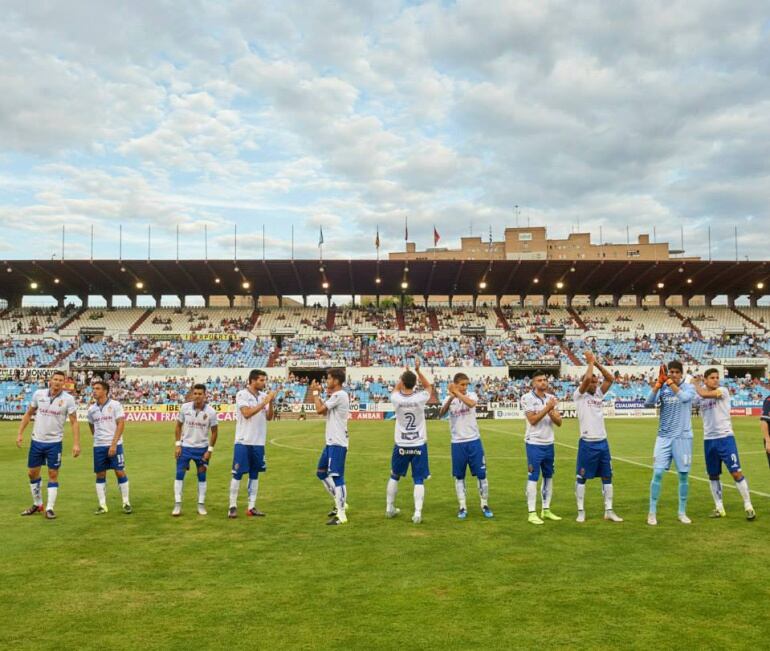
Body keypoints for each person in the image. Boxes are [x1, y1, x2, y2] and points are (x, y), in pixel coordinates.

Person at [16, 370, 80, 519]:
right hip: (36, 441)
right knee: (32, 473)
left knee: (53, 474)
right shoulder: (38, 394)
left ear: (64, 383)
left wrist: (76, 443)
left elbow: (74, 421)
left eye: (60, 380)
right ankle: (38, 504)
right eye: (55, 379)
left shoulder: (68, 399)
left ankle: (50, 508)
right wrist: (20, 433)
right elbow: (28, 414)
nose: (57, 382)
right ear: (50, 380)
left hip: (54, 443)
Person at [693, 369, 755, 520]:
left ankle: (748, 505)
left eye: (717, 377)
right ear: (706, 380)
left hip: (725, 438)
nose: (715, 380)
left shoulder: (723, 391)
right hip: (709, 440)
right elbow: (688, 399)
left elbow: (703, 394)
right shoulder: (699, 396)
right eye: (712, 378)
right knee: (713, 476)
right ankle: (719, 508)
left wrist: (695, 384)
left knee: (736, 472)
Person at [573, 352, 622, 523]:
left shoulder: (599, 394)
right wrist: (590, 363)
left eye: (596, 382)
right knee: (582, 478)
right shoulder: (578, 396)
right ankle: (581, 510)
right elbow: (586, 380)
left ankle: (608, 510)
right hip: (587, 444)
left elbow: (610, 379)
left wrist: (597, 364)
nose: (595, 384)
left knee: (607, 477)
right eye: (592, 382)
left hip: (602, 442)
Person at [644, 361, 695, 526]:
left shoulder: (688, 388)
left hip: (683, 438)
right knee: (657, 473)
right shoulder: (664, 388)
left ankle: (682, 512)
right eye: (670, 372)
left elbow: (685, 398)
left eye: (675, 372)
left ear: (681, 374)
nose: (672, 374)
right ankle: (652, 512)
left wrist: (669, 382)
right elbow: (648, 403)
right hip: (664, 437)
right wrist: (657, 385)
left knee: (683, 475)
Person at [438, 372, 493, 519]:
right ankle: (462, 507)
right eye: (462, 384)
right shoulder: (448, 398)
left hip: (474, 441)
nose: (464, 387)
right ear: (455, 384)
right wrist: (451, 397)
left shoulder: (472, 395)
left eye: (466, 384)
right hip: (457, 443)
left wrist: (456, 392)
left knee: (482, 475)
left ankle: (484, 504)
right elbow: (441, 414)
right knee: (459, 476)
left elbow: (471, 404)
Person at [386, 358, 433, 524]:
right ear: (415, 384)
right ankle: (417, 512)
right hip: (418, 443)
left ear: (403, 382)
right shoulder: (420, 397)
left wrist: (404, 374)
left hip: (401, 444)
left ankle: (389, 508)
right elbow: (429, 387)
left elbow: (396, 389)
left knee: (394, 475)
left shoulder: (396, 399)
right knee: (418, 479)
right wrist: (418, 371)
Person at [230, 370, 276, 518]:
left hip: (259, 442)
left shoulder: (263, 396)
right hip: (243, 441)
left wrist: (271, 402)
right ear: (253, 380)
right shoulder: (242, 394)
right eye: (262, 380)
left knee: (255, 474)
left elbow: (269, 417)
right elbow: (247, 413)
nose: (264, 383)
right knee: (237, 474)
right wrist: (264, 402)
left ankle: (251, 507)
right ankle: (232, 506)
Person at [521, 370, 562, 525]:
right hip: (534, 443)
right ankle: (532, 512)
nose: (543, 382)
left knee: (548, 476)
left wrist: (551, 410)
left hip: (549, 443)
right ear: (533, 383)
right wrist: (547, 408)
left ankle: (546, 509)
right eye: (539, 380)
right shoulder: (527, 398)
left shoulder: (551, 398)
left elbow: (559, 422)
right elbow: (532, 420)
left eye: (545, 380)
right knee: (533, 477)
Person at [311, 369, 351, 526]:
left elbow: (319, 410)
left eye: (329, 378)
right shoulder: (337, 396)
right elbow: (324, 409)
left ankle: (341, 514)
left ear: (336, 380)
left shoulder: (339, 395)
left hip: (337, 442)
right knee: (321, 472)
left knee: (337, 476)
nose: (327, 381)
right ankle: (340, 503)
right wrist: (319, 395)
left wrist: (315, 393)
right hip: (331, 441)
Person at [173, 384, 218, 516]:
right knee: (179, 475)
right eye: (195, 393)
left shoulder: (211, 412)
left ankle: (201, 505)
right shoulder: (185, 408)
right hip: (185, 448)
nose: (197, 396)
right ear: (192, 394)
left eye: (200, 394)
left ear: (205, 395)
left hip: (202, 449)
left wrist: (209, 450)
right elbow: (178, 426)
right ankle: (177, 505)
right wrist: (177, 445)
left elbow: (214, 432)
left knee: (202, 476)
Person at [87, 380, 131, 514]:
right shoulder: (91, 409)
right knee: (100, 474)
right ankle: (102, 505)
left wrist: (113, 444)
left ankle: (126, 502)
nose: (94, 391)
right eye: (93, 388)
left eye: (98, 388)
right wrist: (97, 438)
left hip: (115, 444)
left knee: (119, 471)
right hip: (99, 446)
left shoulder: (115, 405)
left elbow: (121, 424)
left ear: (105, 391)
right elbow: (91, 425)